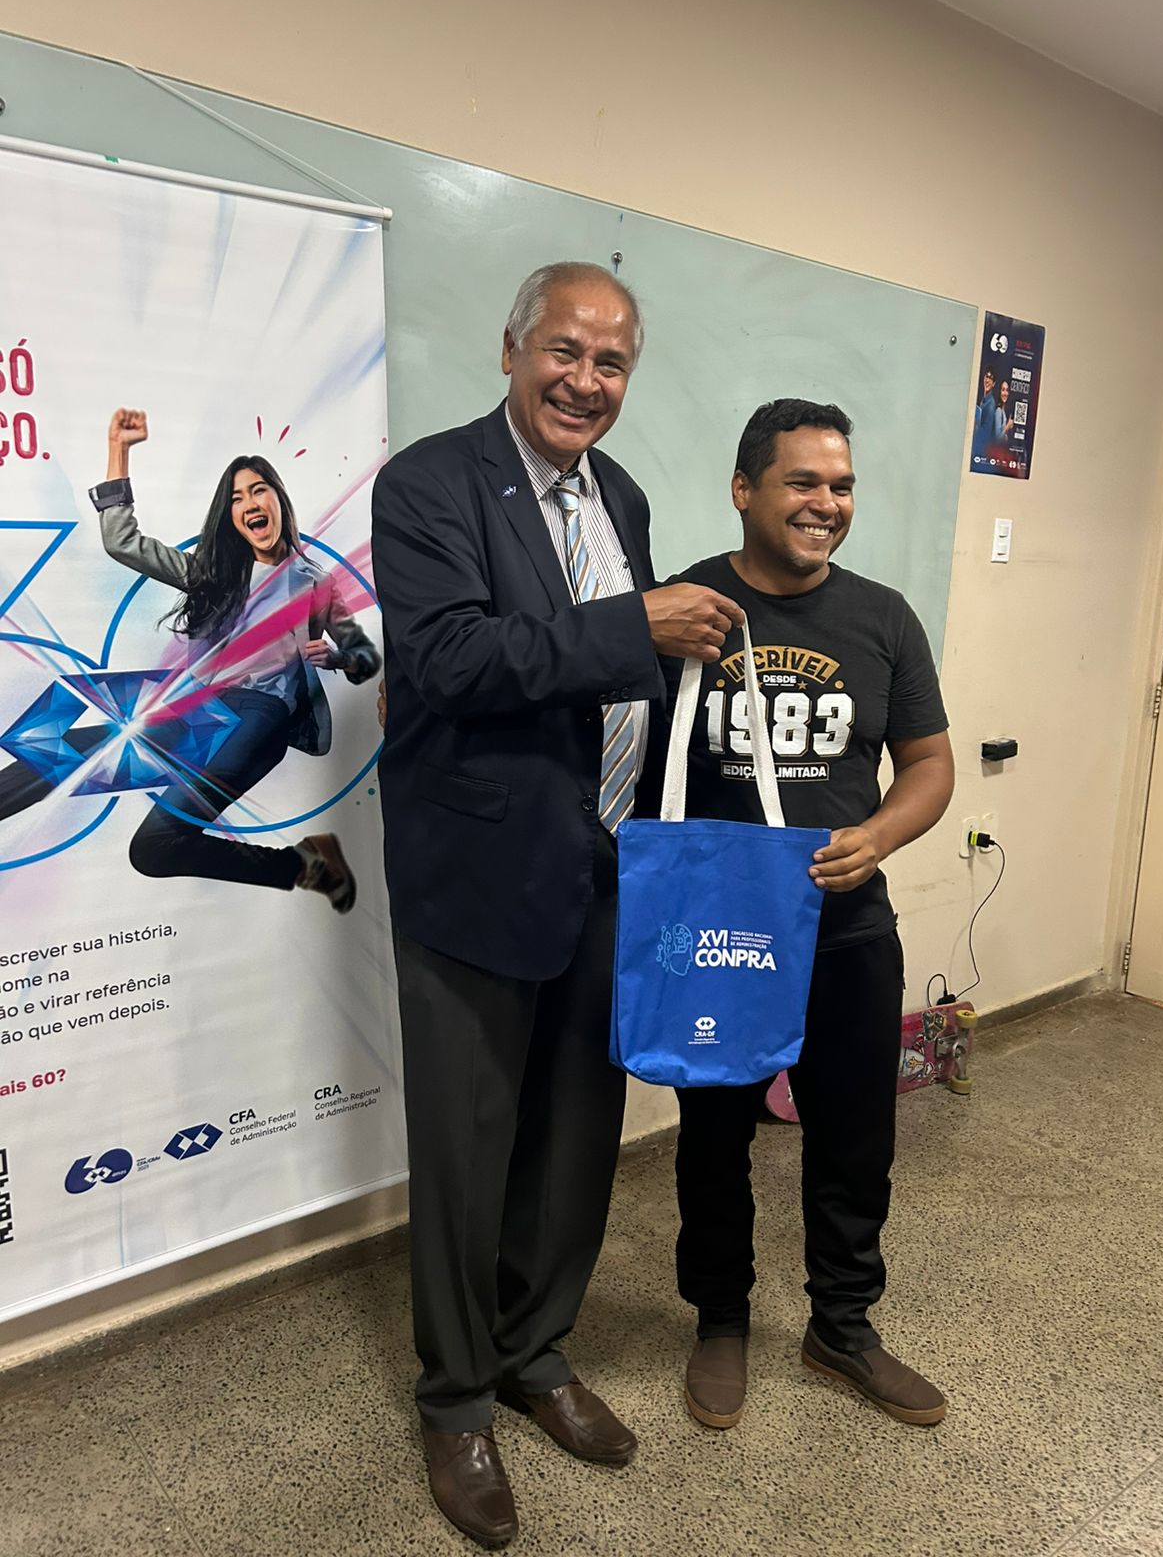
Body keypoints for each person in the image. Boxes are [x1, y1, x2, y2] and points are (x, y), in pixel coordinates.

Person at [372, 262, 741, 1548]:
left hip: (606, 865)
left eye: (612, 362)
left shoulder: (618, 491)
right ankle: (457, 1399)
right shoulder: (430, 483)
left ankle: (536, 1354)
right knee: (469, 1153)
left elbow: (614, 669)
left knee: (578, 1137)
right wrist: (637, 623)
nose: (587, 380)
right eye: (566, 351)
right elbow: (449, 659)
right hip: (476, 875)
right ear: (513, 348)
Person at [660, 398, 955, 1436]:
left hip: (848, 928)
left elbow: (929, 764)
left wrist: (878, 836)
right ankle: (721, 1319)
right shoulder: (686, 610)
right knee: (713, 1136)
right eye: (803, 482)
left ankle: (843, 1325)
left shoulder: (884, 618)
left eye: (841, 485)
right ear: (745, 490)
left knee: (855, 1136)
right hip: (721, 933)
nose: (827, 503)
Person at [0, 409, 379, 906]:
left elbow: (364, 656)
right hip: (201, 711)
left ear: (278, 499)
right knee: (70, 758)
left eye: (259, 490)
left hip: (262, 718)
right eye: (237, 498)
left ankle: (303, 865)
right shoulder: (214, 574)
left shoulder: (316, 582)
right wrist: (119, 450)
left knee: (152, 845)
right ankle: (309, 863)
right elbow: (123, 543)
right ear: (232, 518)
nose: (250, 503)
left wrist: (338, 656)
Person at [972, 367, 996, 458]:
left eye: (990, 378)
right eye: (986, 377)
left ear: (993, 384)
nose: (987, 381)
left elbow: (985, 434)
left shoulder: (990, 405)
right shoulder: (983, 400)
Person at [993, 377, 1015, 442]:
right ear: (999, 391)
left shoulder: (1003, 410)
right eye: (1003, 390)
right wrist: (1007, 426)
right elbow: (997, 438)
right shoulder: (998, 411)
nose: (1005, 393)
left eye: (1007, 390)